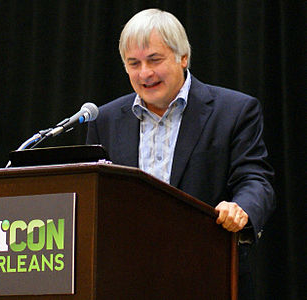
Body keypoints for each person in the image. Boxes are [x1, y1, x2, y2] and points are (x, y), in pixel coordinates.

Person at [86, 8, 275, 300]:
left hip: (208, 273)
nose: (144, 73)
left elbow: (255, 180)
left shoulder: (235, 111)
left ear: (183, 57)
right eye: (133, 63)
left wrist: (241, 209)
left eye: (154, 60)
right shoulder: (105, 120)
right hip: (127, 279)